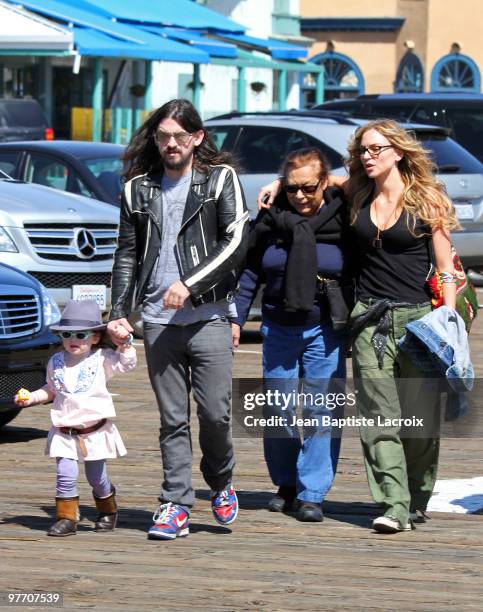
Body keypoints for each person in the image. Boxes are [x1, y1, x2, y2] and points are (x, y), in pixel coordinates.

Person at [257, 119, 459, 533]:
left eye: (376, 149)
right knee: (378, 418)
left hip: (417, 320)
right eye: (363, 151)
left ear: (398, 152)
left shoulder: (427, 199)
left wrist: (448, 318)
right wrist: (280, 185)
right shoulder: (357, 192)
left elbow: (446, 269)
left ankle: (416, 494)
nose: (368, 157)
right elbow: (317, 180)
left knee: (418, 422)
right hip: (368, 319)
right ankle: (394, 504)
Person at [107, 98, 249, 540]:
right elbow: (126, 255)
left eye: (179, 136)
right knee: (172, 418)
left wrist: (189, 283)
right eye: (163, 135)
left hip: (208, 316)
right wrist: (118, 314)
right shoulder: (137, 189)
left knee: (216, 415)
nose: (170, 143)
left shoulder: (219, 180)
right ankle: (175, 502)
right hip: (157, 322)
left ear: (197, 138)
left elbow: (236, 242)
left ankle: (222, 482)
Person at [232, 148, 353, 522]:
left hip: (325, 327)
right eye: (293, 188)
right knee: (278, 407)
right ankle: (286, 483)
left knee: (322, 411)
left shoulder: (344, 218)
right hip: (278, 325)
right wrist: (236, 317)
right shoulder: (270, 220)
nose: (301, 196)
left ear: (325, 183)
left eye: (309, 188)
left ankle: (312, 492)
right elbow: (250, 270)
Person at [14, 299, 136, 537]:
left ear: (95, 338)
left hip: (95, 431)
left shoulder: (102, 359)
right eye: (67, 334)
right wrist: (31, 399)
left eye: (81, 334)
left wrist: (126, 343)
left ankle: (107, 509)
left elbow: (127, 363)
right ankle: (66, 518)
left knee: (96, 478)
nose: (73, 340)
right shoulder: (56, 362)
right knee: (65, 474)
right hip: (64, 431)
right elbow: (51, 389)